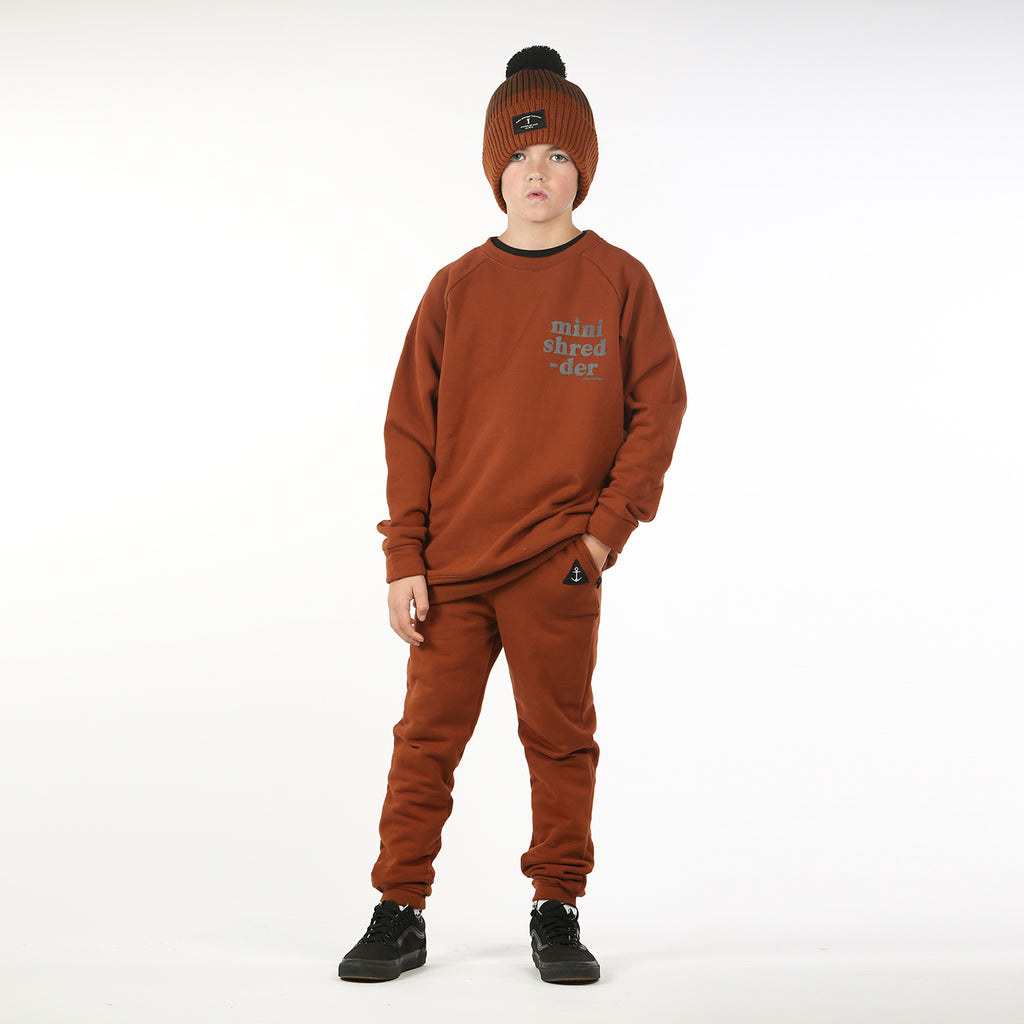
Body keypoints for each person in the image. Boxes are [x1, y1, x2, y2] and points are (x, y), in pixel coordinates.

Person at [338, 44, 686, 985]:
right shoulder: (455, 287)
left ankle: (556, 906)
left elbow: (659, 409)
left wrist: (602, 536)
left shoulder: (619, 281)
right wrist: (403, 557)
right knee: (424, 743)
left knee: (560, 741)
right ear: (496, 169)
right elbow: (408, 429)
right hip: (451, 568)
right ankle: (399, 908)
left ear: (583, 170)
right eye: (522, 155)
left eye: (558, 155)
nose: (539, 172)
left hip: (556, 566)